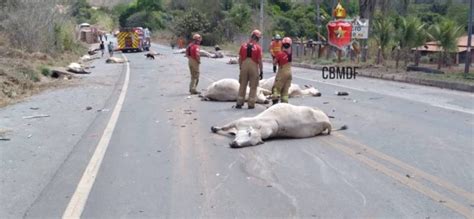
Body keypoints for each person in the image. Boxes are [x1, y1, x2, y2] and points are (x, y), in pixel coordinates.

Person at [236, 29, 263, 109]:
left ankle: (239, 103)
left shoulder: (243, 45)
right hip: (254, 67)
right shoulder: (258, 48)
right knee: (253, 86)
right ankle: (251, 104)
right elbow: (260, 61)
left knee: (242, 85)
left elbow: (240, 58)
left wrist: (241, 67)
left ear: (251, 36)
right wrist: (261, 71)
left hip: (244, 65)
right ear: (257, 39)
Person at [272, 37, 293, 105]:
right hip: (289, 73)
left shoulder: (280, 54)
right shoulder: (290, 55)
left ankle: (274, 103)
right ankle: (285, 104)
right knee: (285, 90)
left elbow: (274, 63)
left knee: (276, 88)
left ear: (282, 44)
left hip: (282, 72)